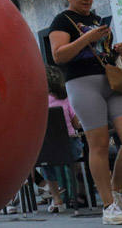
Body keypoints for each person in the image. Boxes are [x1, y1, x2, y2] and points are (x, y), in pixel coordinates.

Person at [48, 0, 122, 225]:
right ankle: (109, 205)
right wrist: (87, 38)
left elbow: (105, 54)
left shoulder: (98, 20)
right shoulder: (62, 20)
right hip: (82, 83)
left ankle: (117, 189)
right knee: (98, 144)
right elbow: (58, 56)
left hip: (111, 80)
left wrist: (120, 51)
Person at [42, 66, 83, 213]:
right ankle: (77, 195)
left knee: (46, 164)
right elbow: (76, 124)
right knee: (75, 163)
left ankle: (57, 199)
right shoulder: (66, 99)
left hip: (46, 151)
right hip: (69, 148)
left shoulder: (38, 102)